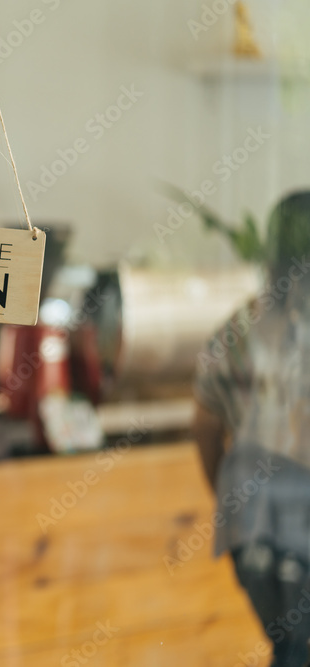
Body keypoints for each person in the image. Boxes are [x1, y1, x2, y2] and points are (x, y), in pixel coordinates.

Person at [193, 190, 310, 667]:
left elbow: (203, 427)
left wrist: (231, 500)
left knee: (288, 645)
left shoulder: (237, 329)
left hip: (252, 525)